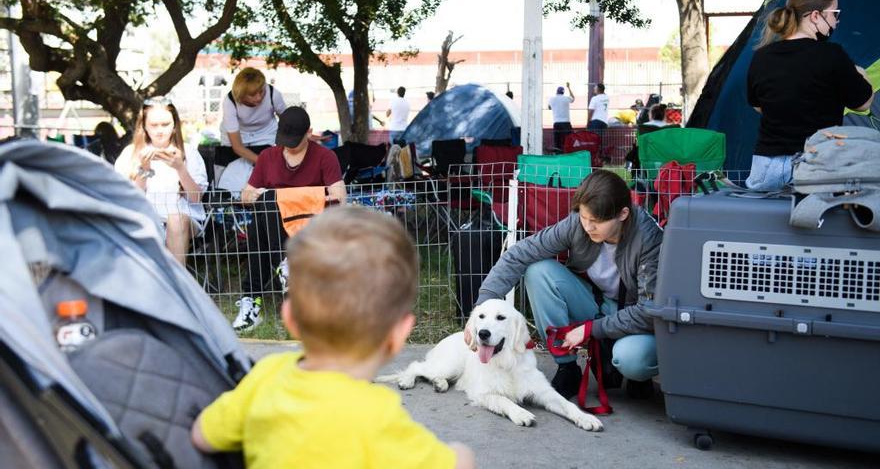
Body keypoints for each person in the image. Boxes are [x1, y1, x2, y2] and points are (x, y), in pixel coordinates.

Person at [191, 206, 476, 469]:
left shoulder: (265, 376)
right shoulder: (378, 417)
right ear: (399, 334)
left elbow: (203, 435)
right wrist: (462, 454)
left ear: (290, 318)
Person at [474, 170, 663, 399]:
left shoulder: (650, 238)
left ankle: (636, 376)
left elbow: (649, 310)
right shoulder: (578, 224)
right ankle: (567, 367)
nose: (588, 227)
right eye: (584, 217)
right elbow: (520, 254)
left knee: (630, 359)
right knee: (538, 271)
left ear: (623, 214)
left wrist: (591, 329)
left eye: (597, 221)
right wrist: (481, 309)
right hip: (598, 303)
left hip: (638, 317)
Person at [746, 0, 873, 191]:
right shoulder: (833, 55)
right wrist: (861, 73)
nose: (836, 21)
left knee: (767, 221)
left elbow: (759, 106)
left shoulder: (761, 56)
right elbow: (863, 103)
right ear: (815, 16)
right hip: (818, 165)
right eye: (834, 14)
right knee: (818, 219)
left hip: (766, 167)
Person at [232, 106, 346, 333]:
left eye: (295, 140)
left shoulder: (325, 156)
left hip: (310, 225)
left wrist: (295, 199)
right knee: (265, 208)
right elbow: (246, 195)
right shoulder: (268, 156)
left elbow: (339, 196)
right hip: (273, 227)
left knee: (265, 210)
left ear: (309, 132)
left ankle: (254, 297)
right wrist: (266, 197)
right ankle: (283, 269)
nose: (289, 145)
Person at [115, 97, 208, 265]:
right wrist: (144, 169)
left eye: (165, 125)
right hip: (146, 220)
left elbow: (195, 198)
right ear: (144, 126)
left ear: (174, 125)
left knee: (176, 219)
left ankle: (175, 283)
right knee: (142, 222)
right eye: (154, 125)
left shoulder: (189, 152)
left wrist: (180, 168)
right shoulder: (131, 153)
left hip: (184, 220)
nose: (160, 131)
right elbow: (130, 200)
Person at [547, 82, 575, 151]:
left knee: (557, 141)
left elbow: (549, 107)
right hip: (566, 123)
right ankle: (568, 152)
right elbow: (573, 98)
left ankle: (558, 153)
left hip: (557, 123)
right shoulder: (566, 98)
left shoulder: (552, 99)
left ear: (556, 92)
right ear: (563, 92)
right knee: (569, 139)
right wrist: (569, 87)